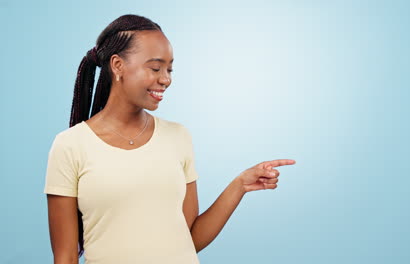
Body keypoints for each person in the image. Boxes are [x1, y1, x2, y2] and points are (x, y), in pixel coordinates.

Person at [43, 14, 296, 264]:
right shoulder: (70, 146)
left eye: (169, 69)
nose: (166, 79)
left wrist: (240, 184)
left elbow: (190, 237)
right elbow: (65, 256)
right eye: (155, 68)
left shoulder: (178, 137)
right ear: (118, 65)